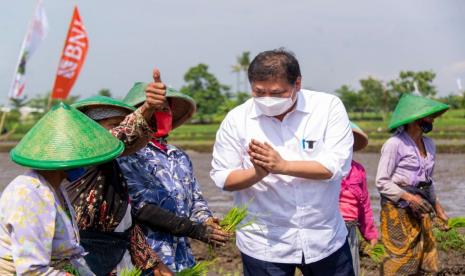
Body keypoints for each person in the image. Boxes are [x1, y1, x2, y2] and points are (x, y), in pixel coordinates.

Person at [210, 48, 354, 276]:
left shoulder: (327, 108)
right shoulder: (237, 119)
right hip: (265, 243)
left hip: (324, 238)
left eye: (277, 93)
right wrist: (257, 173)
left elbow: (336, 166)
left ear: (297, 83)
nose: (268, 100)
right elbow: (223, 178)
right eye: (259, 92)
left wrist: (282, 166)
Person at [117, 82, 230, 273]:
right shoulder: (128, 155)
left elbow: (195, 200)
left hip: (182, 256)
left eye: (166, 110)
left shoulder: (179, 156)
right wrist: (195, 230)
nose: (164, 114)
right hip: (148, 257)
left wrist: (207, 222)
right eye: (157, 109)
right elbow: (140, 207)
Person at [0, 102, 123, 275]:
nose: (88, 164)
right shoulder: (29, 194)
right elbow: (32, 270)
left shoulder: (55, 189)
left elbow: (70, 253)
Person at [375, 93, 450, 275]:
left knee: (423, 257)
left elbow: (427, 181)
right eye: (428, 116)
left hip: (421, 205)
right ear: (414, 119)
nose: (431, 120)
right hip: (398, 208)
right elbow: (382, 181)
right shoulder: (395, 144)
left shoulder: (430, 144)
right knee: (400, 257)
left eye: (432, 117)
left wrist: (437, 207)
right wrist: (409, 198)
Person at [339, 122, 378, 276]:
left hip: (350, 227)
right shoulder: (322, 168)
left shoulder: (358, 170)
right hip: (330, 226)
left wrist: (370, 233)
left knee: (351, 269)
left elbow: (364, 205)